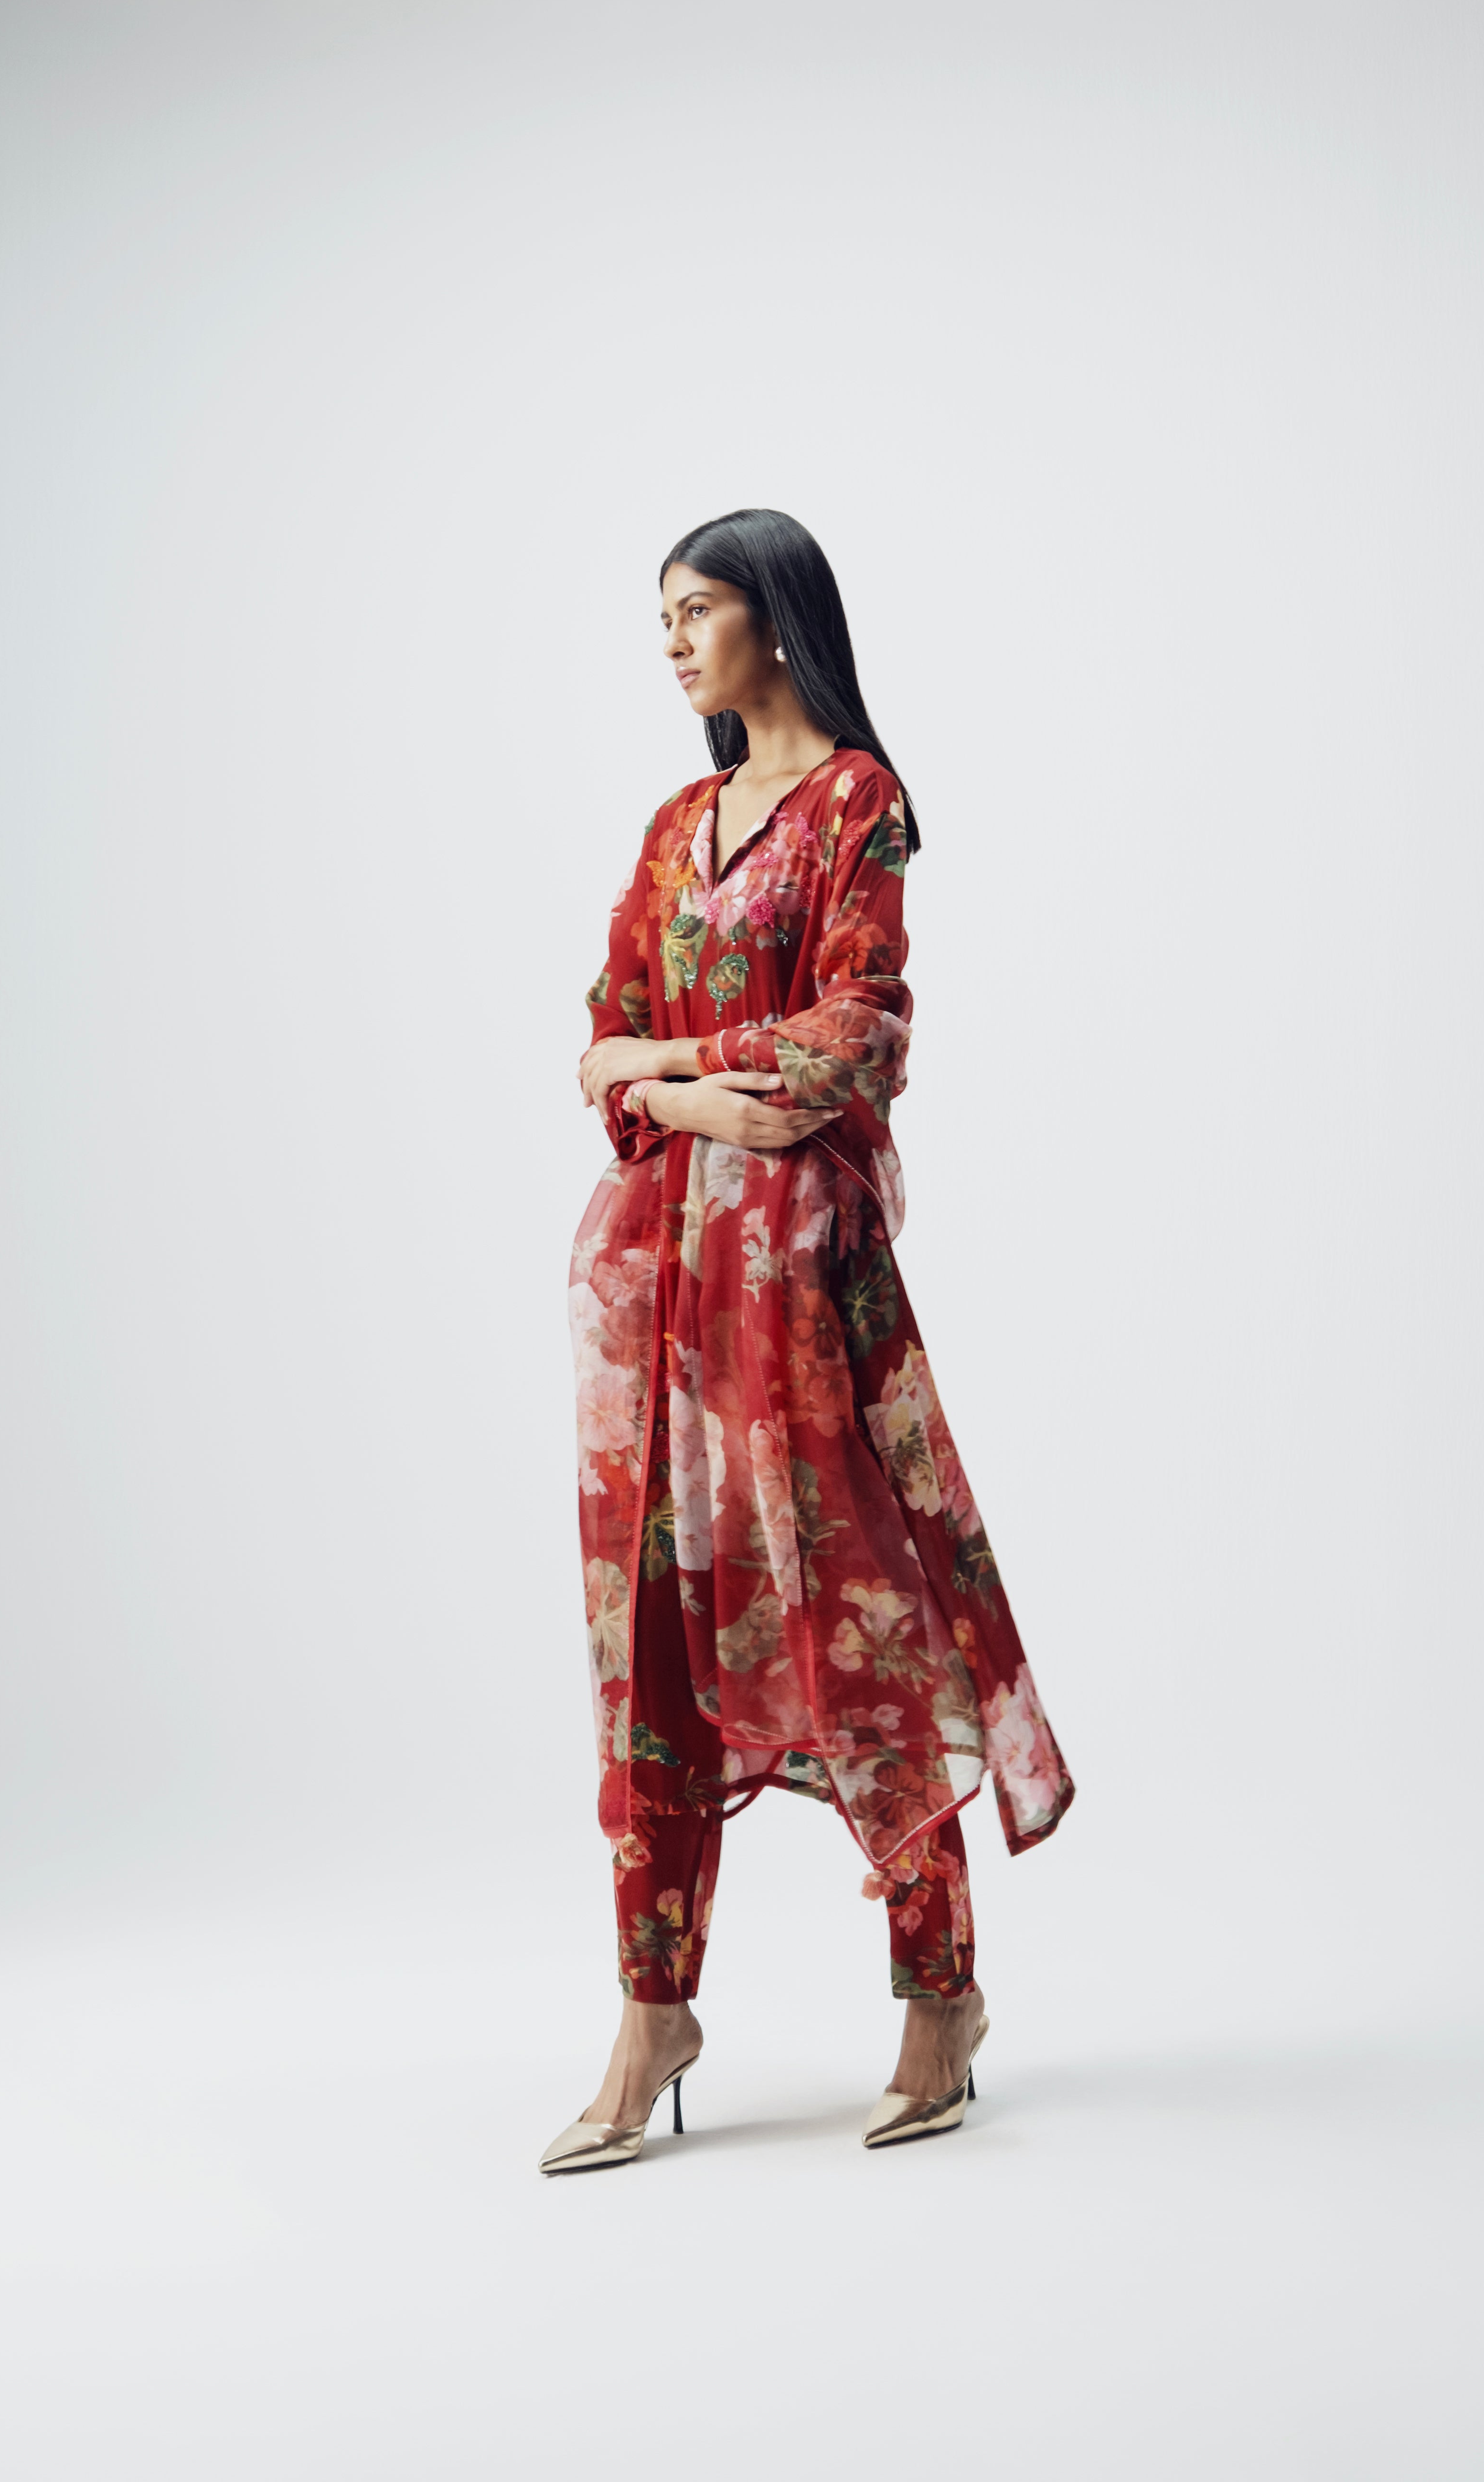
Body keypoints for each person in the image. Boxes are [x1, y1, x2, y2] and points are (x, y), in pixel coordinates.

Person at [543, 509, 1073, 2173]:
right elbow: (600, 1041)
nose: (673, 641)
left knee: (859, 1617)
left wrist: (672, 1075)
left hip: (798, 1284)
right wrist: (699, 1094)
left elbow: (855, 1042)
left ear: (774, 619)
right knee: (650, 1634)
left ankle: (941, 1995)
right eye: (663, 616)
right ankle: (654, 2011)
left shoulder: (859, 804)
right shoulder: (673, 826)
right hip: (656, 1292)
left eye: (697, 610)